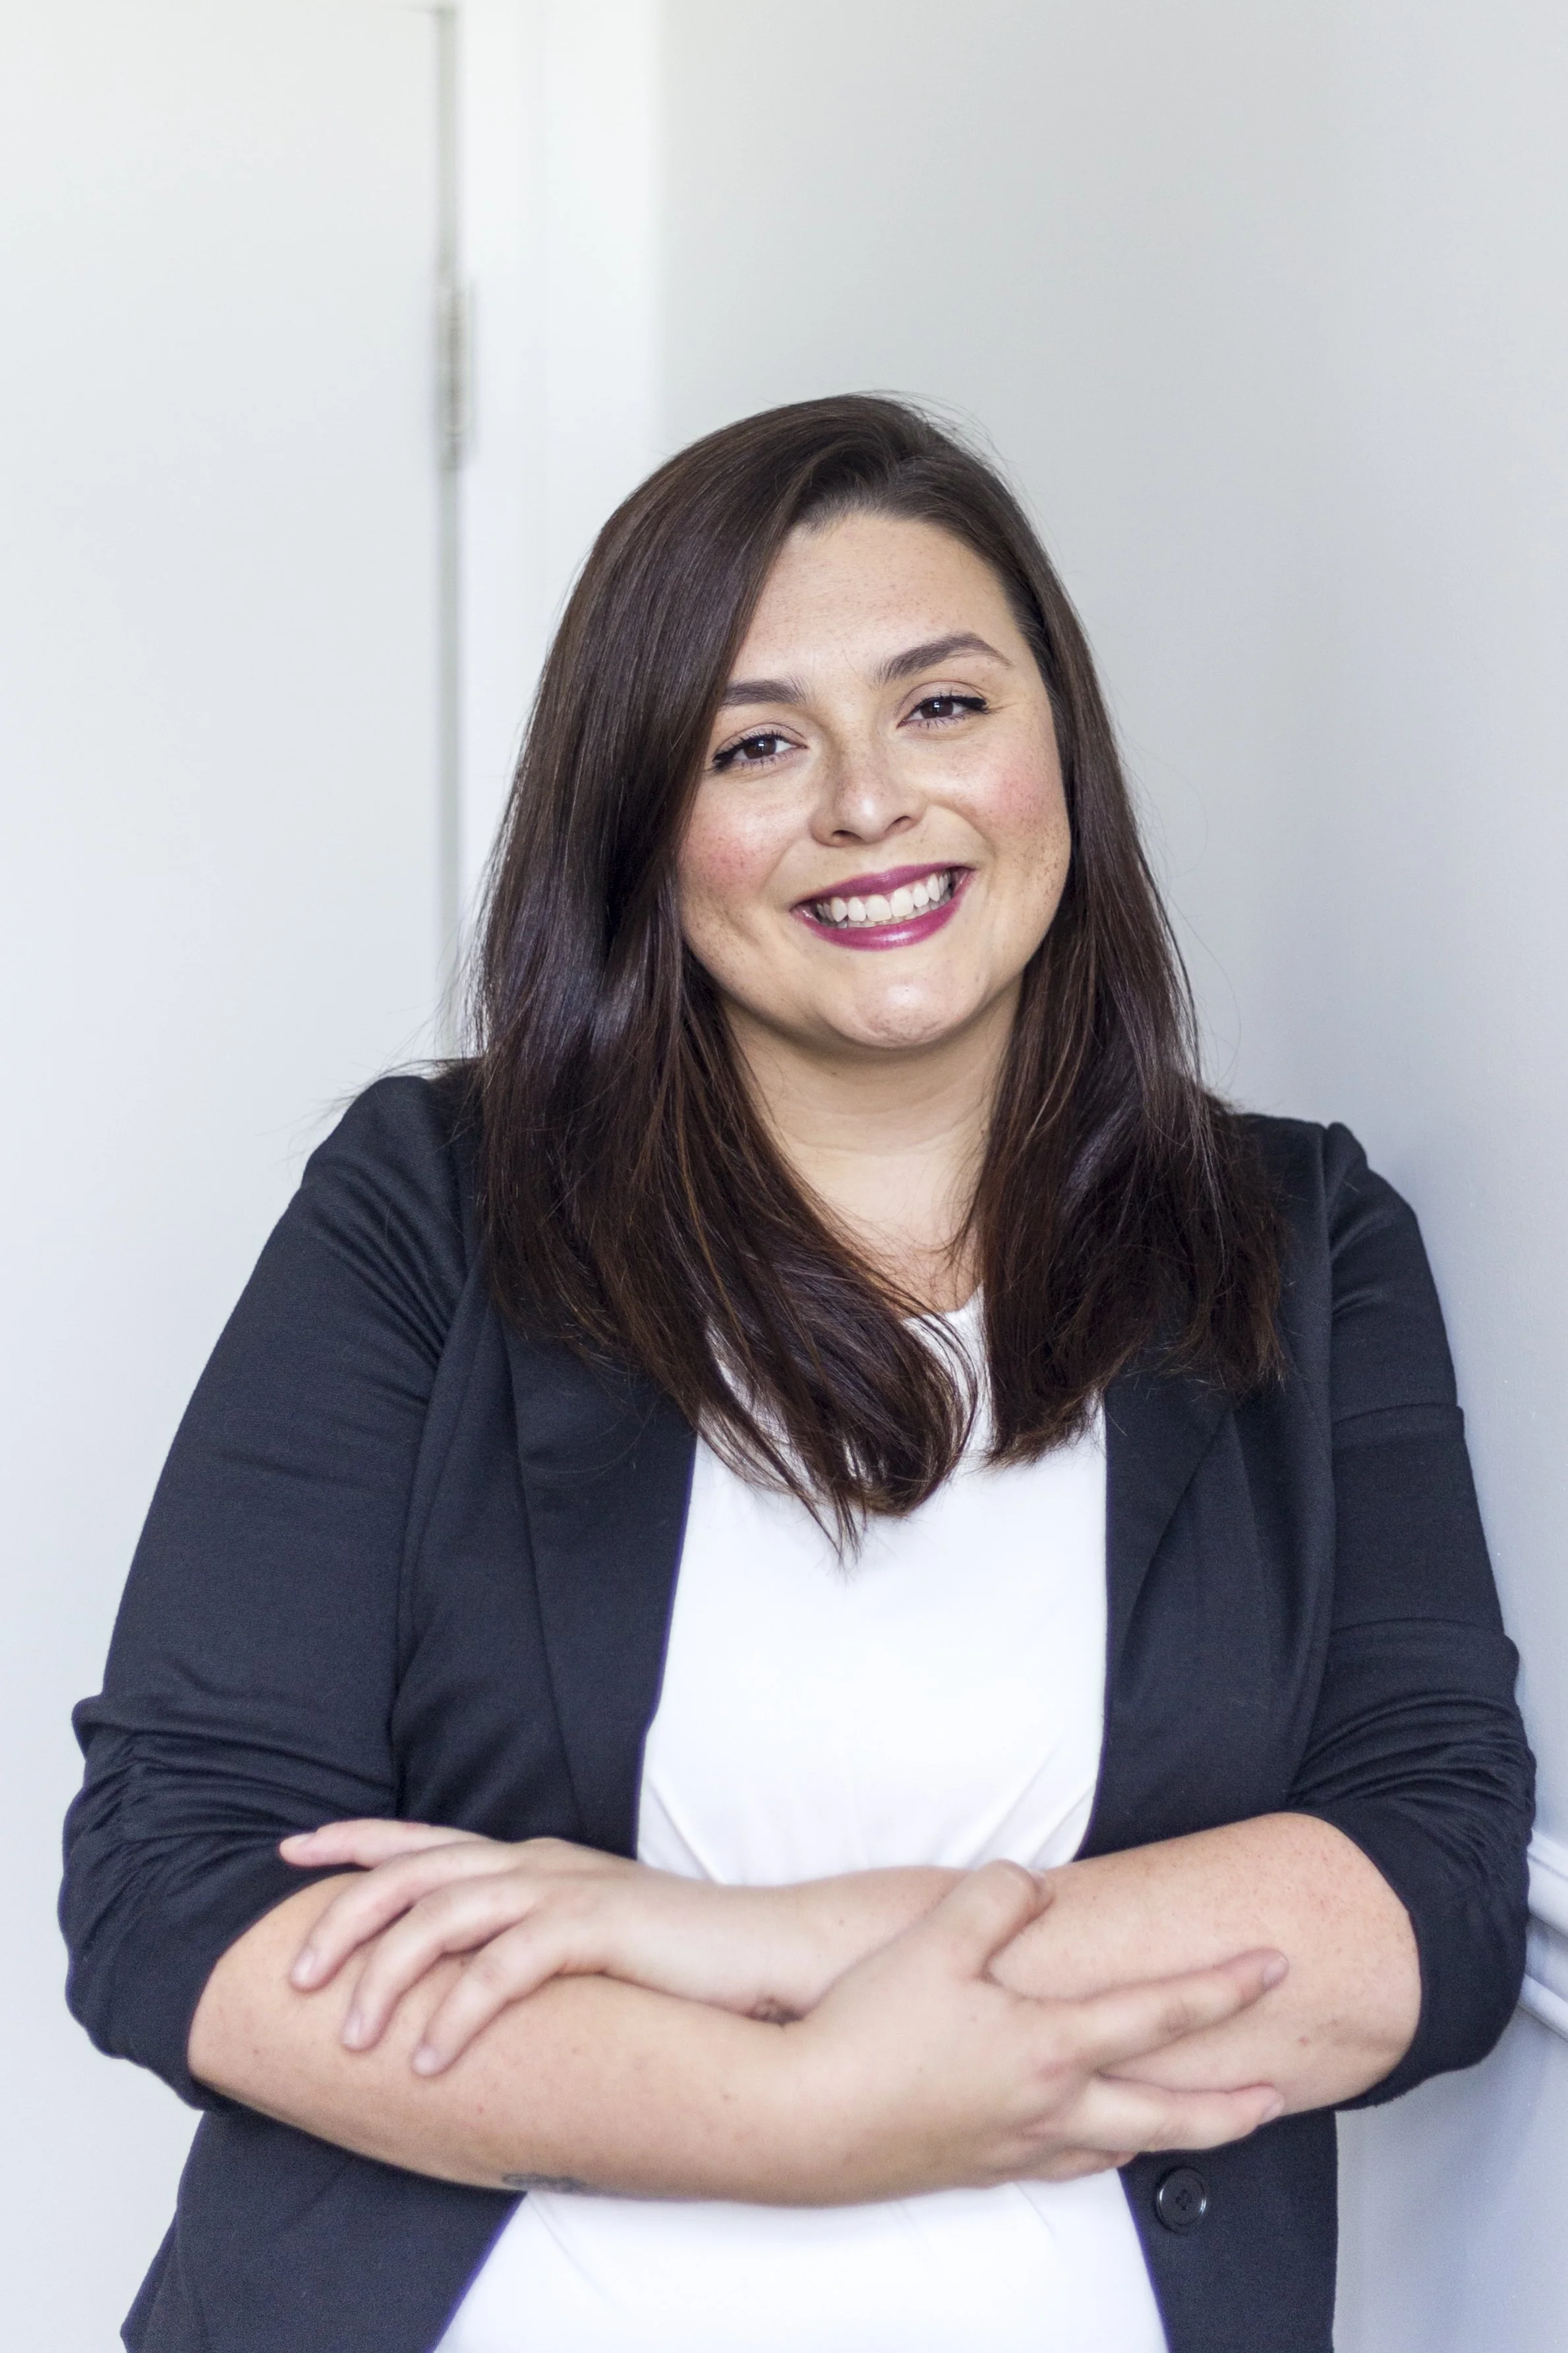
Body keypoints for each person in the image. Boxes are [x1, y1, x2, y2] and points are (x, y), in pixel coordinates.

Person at [63, 395, 1532, 2353]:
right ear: (643, 833)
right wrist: (794, 2117)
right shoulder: (432, 1215)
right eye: (758, 743)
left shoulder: (1298, 1243)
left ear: (1058, 754)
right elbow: (181, 1888)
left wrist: (740, 1941)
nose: (868, 803)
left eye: (942, 707)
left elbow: (1419, 1898)